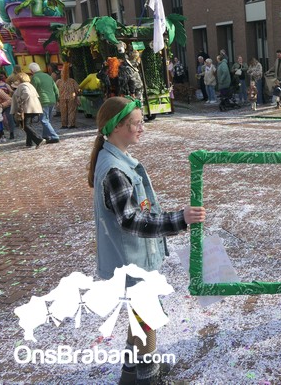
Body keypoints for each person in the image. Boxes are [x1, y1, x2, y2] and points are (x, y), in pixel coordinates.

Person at [87, 96, 205, 385]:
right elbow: (131, 220)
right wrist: (179, 219)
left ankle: (130, 373)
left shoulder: (115, 160)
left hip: (130, 258)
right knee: (147, 317)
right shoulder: (115, 170)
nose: (142, 128)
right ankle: (149, 378)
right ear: (116, 127)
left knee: (139, 316)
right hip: (131, 262)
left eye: (141, 122)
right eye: (136, 124)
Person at [10, 72, 44, 148]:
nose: (16, 81)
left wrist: (20, 99)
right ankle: (29, 143)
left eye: (17, 79)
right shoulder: (29, 85)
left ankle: (38, 139)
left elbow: (27, 93)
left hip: (28, 108)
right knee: (28, 125)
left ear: (20, 79)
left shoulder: (23, 85)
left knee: (25, 125)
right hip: (33, 108)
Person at [29, 62, 60, 144]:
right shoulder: (48, 76)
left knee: (44, 120)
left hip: (43, 101)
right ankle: (45, 135)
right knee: (47, 120)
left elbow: (32, 92)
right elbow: (56, 89)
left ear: (31, 71)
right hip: (52, 100)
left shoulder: (34, 78)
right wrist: (57, 99)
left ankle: (54, 136)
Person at [55, 63, 81, 129]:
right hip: (72, 98)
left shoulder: (58, 81)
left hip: (62, 98)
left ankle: (64, 125)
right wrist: (78, 92)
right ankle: (71, 124)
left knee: (63, 112)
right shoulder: (72, 81)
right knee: (71, 111)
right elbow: (78, 89)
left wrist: (57, 98)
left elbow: (55, 90)